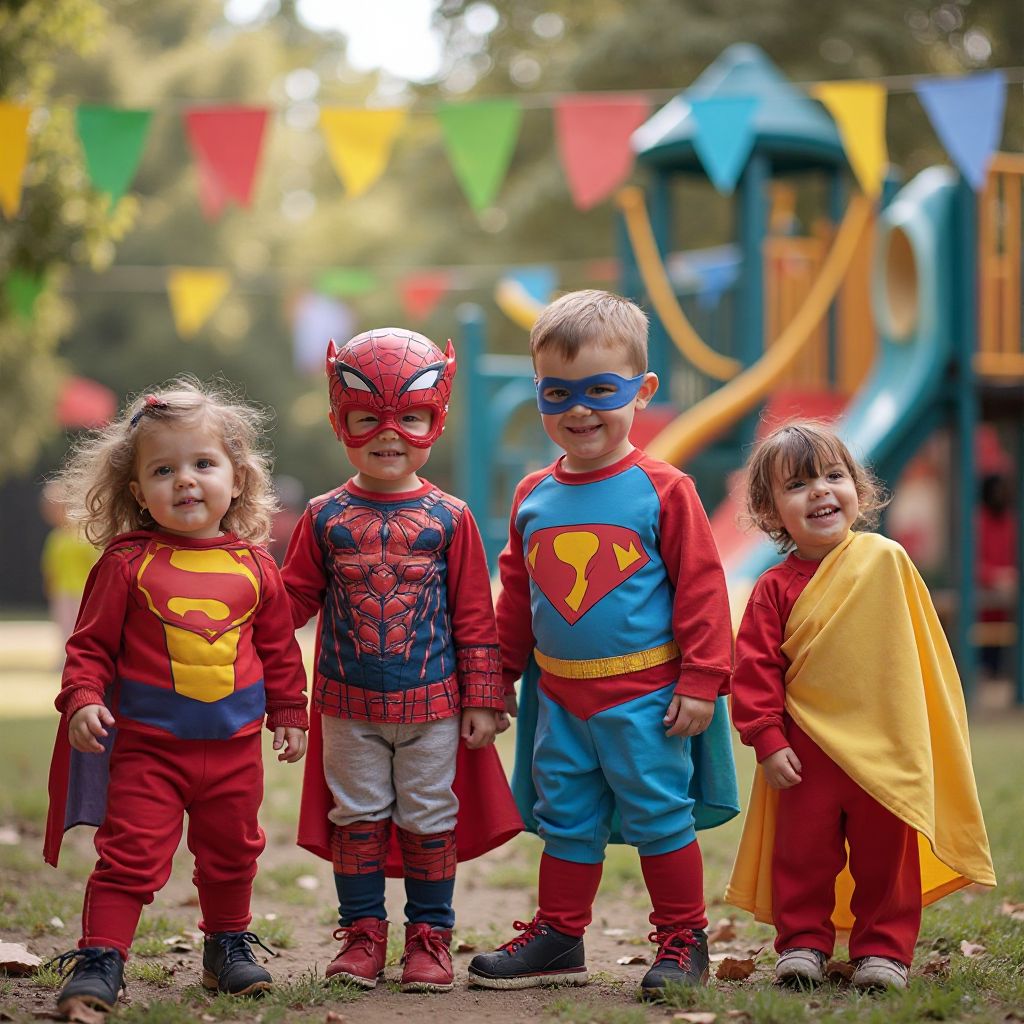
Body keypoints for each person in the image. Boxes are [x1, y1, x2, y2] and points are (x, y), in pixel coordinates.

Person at [467, 290, 739, 999]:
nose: (579, 409)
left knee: (658, 814)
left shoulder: (664, 488)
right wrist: (497, 679)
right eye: (558, 393)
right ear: (539, 395)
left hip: (647, 699)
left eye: (600, 390)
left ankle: (683, 938)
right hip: (560, 700)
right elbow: (518, 599)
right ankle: (559, 936)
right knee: (567, 819)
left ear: (642, 390)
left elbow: (703, 588)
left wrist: (703, 678)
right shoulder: (532, 495)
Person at [42, 378, 309, 1016]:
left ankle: (226, 945)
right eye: (164, 470)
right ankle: (102, 956)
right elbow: (90, 645)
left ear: (237, 478)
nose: (185, 480)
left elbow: (277, 651)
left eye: (203, 464)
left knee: (233, 849)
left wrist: (291, 713)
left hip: (235, 748)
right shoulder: (125, 563)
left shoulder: (254, 565)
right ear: (138, 493)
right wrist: (81, 696)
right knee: (130, 852)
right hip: (148, 749)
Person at [283, 329, 521, 994]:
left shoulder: (452, 518)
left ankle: (429, 939)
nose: (390, 434)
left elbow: (475, 613)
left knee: (428, 818)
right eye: (369, 419)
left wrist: (483, 697)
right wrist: (233, 612)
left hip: (435, 706)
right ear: (341, 422)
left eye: (409, 418)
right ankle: (362, 936)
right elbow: (290, 602)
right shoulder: (323, 515)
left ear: (435, 420)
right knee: (355, 818)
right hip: (345, 706)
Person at [725, 421, 996, 991]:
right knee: (802, 856)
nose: (821, 491)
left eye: (834, 475)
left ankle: (883, 951)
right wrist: (768, 740)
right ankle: (801, 945)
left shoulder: (886, 560)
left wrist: (916, 732)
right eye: (798, 484)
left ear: (857, 489)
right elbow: (754, 671)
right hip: (806, 751)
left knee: (886, 859)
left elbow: (914, 652)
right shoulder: (773, 588)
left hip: (884, 747)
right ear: (771, 512)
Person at [39, 480, 100, 660]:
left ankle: (83, 659)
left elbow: (96, 563)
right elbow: (50, 567)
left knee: (81, 629)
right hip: (62, 593)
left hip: (83, 592)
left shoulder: (84, 534)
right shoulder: (55, 537)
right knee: (65, 627)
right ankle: (66, 659)